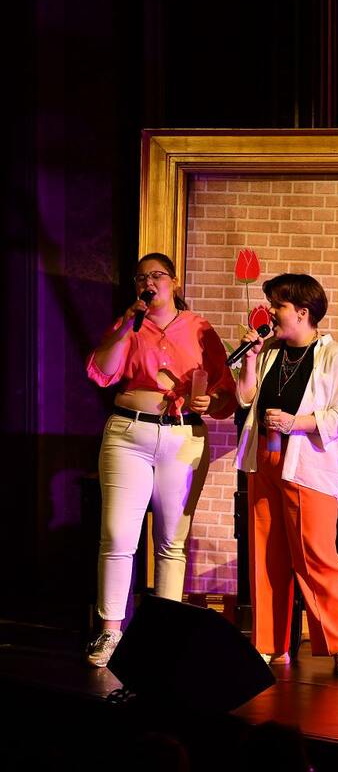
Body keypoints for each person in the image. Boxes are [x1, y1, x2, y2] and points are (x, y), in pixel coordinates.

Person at [85, 252, 236, 667]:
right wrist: (126, 325)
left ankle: (164, 636)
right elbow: (102, 371)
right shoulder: (129, 324)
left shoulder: (199, 328)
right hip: (128, 435)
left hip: (182, 437)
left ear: (174, 282)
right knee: (117, 536)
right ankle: (110, 631)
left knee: (171, 541)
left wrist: (211, 401)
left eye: (157, 276)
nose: (149, 284)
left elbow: (225, 392)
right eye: (141, 278)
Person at [235, 273, 338, 677]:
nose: (271, 312)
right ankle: (268, 645)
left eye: (279, 305)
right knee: (266, 554)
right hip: (265, 459)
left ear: (303, 312)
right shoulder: (270, 352)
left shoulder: (333, 357)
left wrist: (297, 423)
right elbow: (245, 397)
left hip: (305, 464)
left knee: (316, 555)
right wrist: (250, 359)